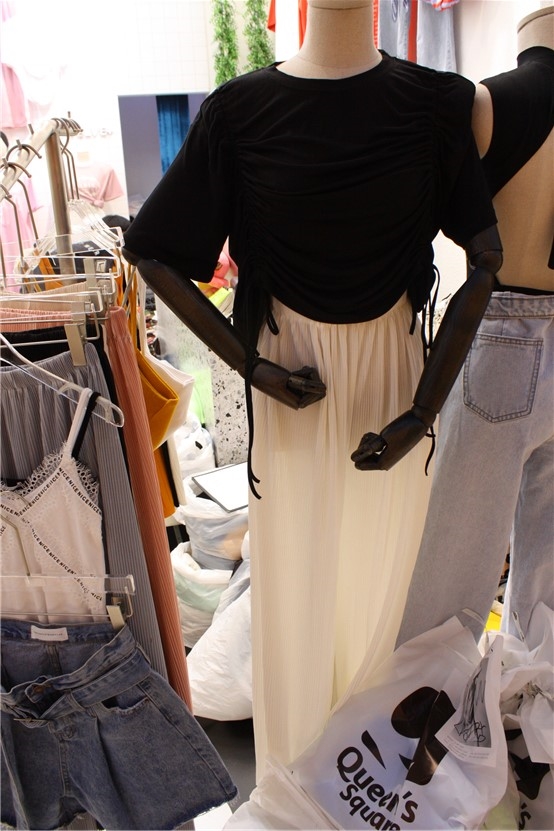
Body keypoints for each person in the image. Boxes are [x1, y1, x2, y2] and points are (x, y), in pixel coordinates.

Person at [122, 0, 500, 779]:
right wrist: (252, 366)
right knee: (296, 584)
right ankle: (297, 782)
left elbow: (485, 258)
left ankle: (365, 787)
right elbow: (150, 248)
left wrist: (423, 409)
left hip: (391, 383)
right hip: (298, 382)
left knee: (384, 587)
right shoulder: (240, 113)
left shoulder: (438, 103)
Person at [396, 5, 554, 648]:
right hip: (516, 332)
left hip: (504, 336)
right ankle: (536, 698)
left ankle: (425, 699)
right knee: (547, 586)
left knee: (450, 571)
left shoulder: (488, 102)